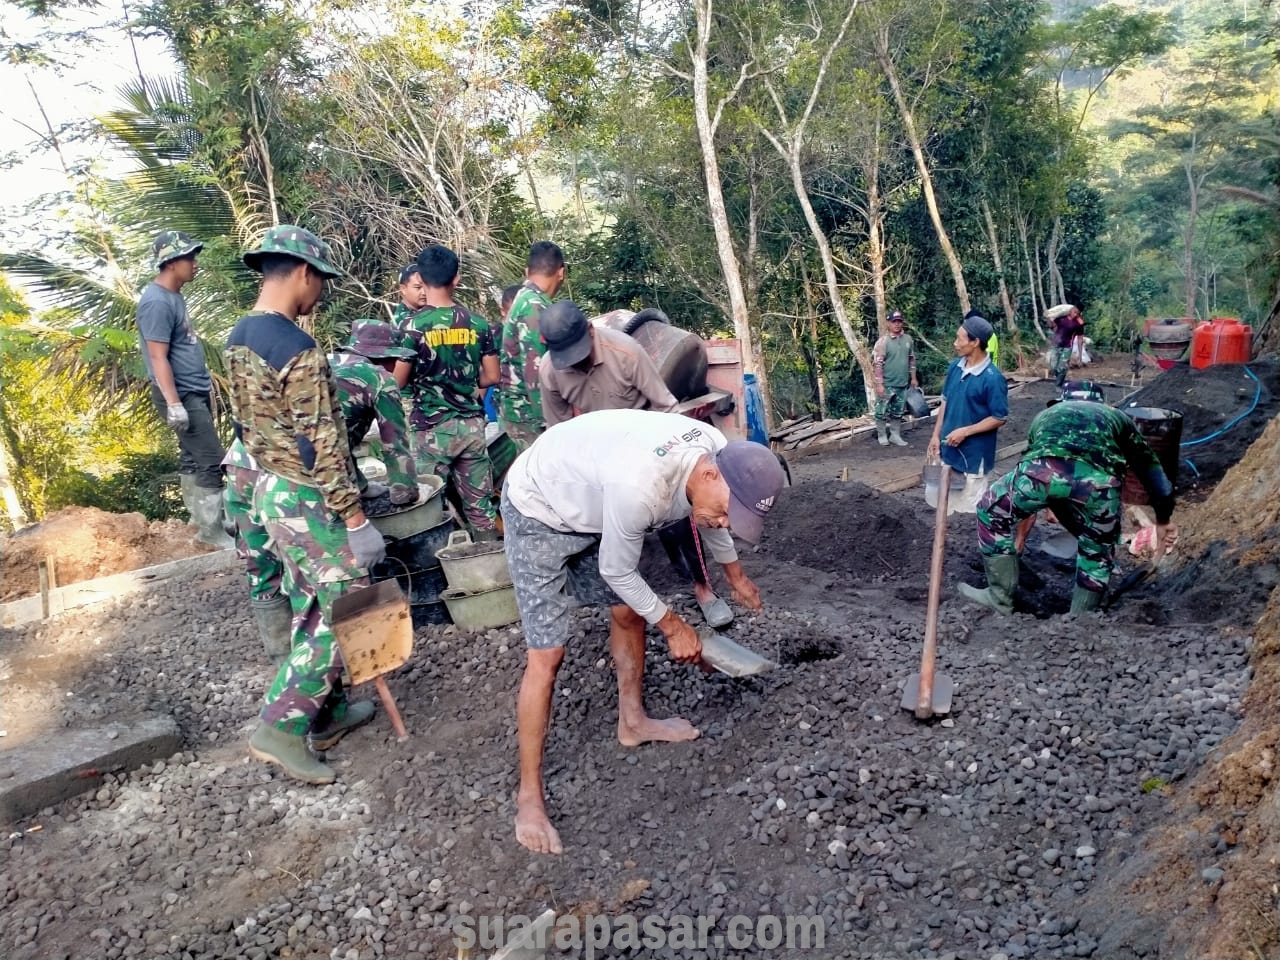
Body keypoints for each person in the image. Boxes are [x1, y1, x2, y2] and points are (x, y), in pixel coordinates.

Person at [501, 409, 785, 855]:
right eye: (730, 512)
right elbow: (617, 569)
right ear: (709, 473)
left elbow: (708, 516)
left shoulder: (714, 450)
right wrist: (674, 627)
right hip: (540, 506)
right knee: (547, 655)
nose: (727, 522)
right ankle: (529, 798)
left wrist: (734, 574)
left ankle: (632, 722)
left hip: (597, 501)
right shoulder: (641, 489)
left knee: (630, 614)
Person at [225, 225, 387, 785]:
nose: (321, 294)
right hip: (308, 496)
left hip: (269, 489)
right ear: (302, 272)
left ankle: (326, 714)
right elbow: (324, 443)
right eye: (321, 281)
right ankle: (279, 729)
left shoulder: (238, 337)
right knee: (345, 609)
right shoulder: (299, 349)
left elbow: (254, 427)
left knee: (312, 605)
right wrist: (356, 519)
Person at [537, 301, 740, 628]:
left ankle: (704, 590)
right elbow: (559, 432)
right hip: (600, 454)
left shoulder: (626, 353)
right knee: (596, 525)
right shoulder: (550, 371)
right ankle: (614, 604)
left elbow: (666, 408)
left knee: (679, 513)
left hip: (650, 447)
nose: (574, 364)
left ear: (590, 332)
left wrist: (668, 469)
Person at [960, 381, 1175, 615]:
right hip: (1100, 487)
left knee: (990, 511)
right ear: (1100, 403)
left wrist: (1042, 505)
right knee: (1096, 549)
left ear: (1063, 400)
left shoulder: (1046, 415)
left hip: (1040, 477)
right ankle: (1080, 618)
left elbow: (1033, 467)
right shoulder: (1118, 418)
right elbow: (1152, 472)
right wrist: (1162, 521)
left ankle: (1000, 599)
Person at [137, 230, 232, 549]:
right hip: (181, 395)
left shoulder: (173, 297)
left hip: (191, 391)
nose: (195, 263)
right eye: (189, 258)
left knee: (193, 458)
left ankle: (200, 525)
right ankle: (211, 532)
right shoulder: (156, 302)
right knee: (212, 460)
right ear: (171, 262)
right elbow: (156, 355)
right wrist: (174, 403)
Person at [403, 244, 501, 538]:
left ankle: (445, 570)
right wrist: (469, 383)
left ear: (420, 277)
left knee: (431, 508)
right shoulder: (479, 325)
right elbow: (493, 376)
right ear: (456, 277)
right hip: (470, 427)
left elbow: (398, 381)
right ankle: (489, 568)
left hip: (430, 431)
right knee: (481, 508)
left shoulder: (411, 327)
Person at [331, 320, 422, 508]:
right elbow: (395, 444)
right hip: (319, 478)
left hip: (267, 467)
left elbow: (337, 437)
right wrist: (406, 494)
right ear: (385, 357)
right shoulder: (379, 379)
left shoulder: (325, 362)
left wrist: (361, 486)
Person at [499, 241, 566, 450]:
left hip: (522, 411)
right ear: (561, 272)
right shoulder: (534, 307)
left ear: (527, 271)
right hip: (529, 415)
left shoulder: (524, 297)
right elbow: (535, 372)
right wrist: (551, 422)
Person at [928, 313, 1009, 479]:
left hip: (973, 458)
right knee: (945, 501)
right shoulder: (954, 367)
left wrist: (965, 432)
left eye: (959, 339)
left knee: (968, 504)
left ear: (975, 342)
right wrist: (936, 436)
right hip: (948, 452)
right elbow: (945, 401)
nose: (955, 343)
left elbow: (999, 417)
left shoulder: (993, 378)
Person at [871, 309, 919, 448]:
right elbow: (878, 364)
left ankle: (895, 435)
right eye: (894, 322)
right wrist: (879, 384)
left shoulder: (908, 339)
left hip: (902, 383)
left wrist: (913, 378)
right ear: (888, 323)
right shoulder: (883, 342)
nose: (897, 324)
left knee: (898, 411)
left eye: (899, 321)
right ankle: (881, 435)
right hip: (887, 383)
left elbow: (912, 360)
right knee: (881, 411)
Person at [1046, 304, 1085, 386]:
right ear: (1071, 309)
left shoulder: (1079, 323)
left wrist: (1080, 356)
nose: (1075, 314)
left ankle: (1059, 384)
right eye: (1074, 312)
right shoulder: (1061, 318)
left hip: (1067, 347)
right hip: (1056, 345)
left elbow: (1080, 339)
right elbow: (1051, 326)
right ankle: (1058, 379)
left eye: (1077, 313)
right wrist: (1049, 318)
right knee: (1053, 367)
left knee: (1063, 367)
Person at [392, 262, 428, 327]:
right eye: (418, 287)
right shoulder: (403, 321)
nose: (424, 292)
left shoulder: (427, 312)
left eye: (426, 287)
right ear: (403, 289)